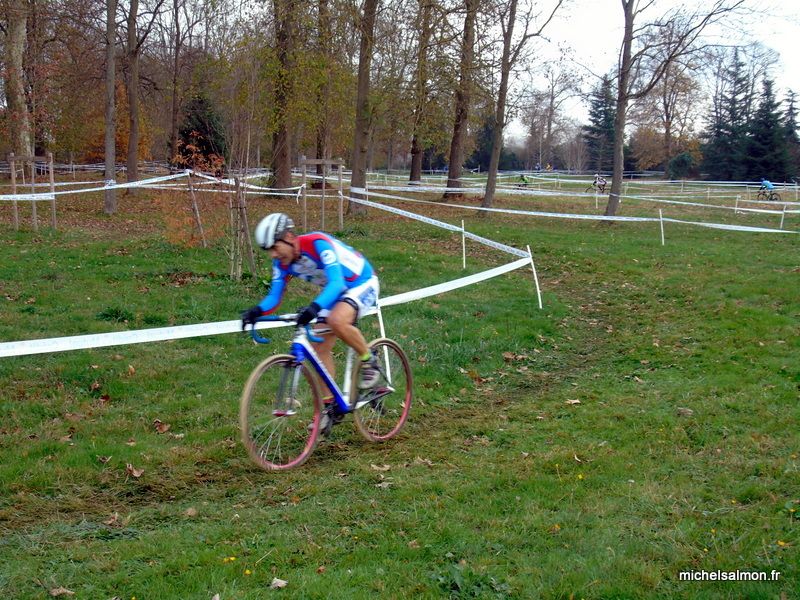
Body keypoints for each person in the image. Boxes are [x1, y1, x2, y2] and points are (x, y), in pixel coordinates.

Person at [240, 213, 381, 429]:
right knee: (318, 345)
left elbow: (336, 282)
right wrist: (256, 311)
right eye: (269, 251)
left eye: (275, 248)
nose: (274, 255)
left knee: (336, 320)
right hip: (337, 292)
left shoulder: (318, 244)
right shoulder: (283, 264)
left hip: (361, 282)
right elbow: (274, 297)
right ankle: (331, 405)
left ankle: (369, 359)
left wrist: (313, 308)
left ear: (289, 237)